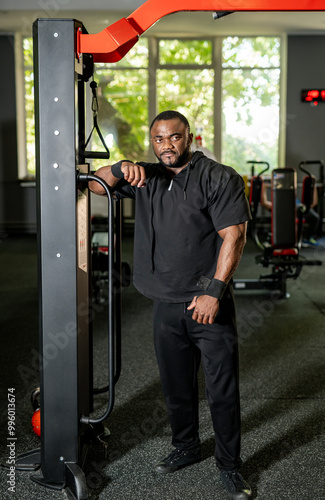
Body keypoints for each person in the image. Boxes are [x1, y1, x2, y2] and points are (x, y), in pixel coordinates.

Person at [90, 110, 252, 499]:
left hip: (206, 302)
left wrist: (214, 291)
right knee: (176, 386)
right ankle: (187, 446)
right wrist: (120, 166)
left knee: (221, 389)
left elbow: (235, 235)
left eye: (174, 138)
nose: (167, 146)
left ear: (190, 138)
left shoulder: (218, 176)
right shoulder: (144, 177)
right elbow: (97, 186)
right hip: (164, 301)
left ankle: (230, 465)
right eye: (159, 139)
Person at [261, 178, 320, 246]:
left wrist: (314, 187)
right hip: (292, 215)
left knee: (315, 217)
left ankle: (308, 238)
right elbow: (264, 203)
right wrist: (264, 188)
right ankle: (306, 238)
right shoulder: (279, 205)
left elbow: (314, 203)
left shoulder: (296, 201)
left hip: (299, 210)